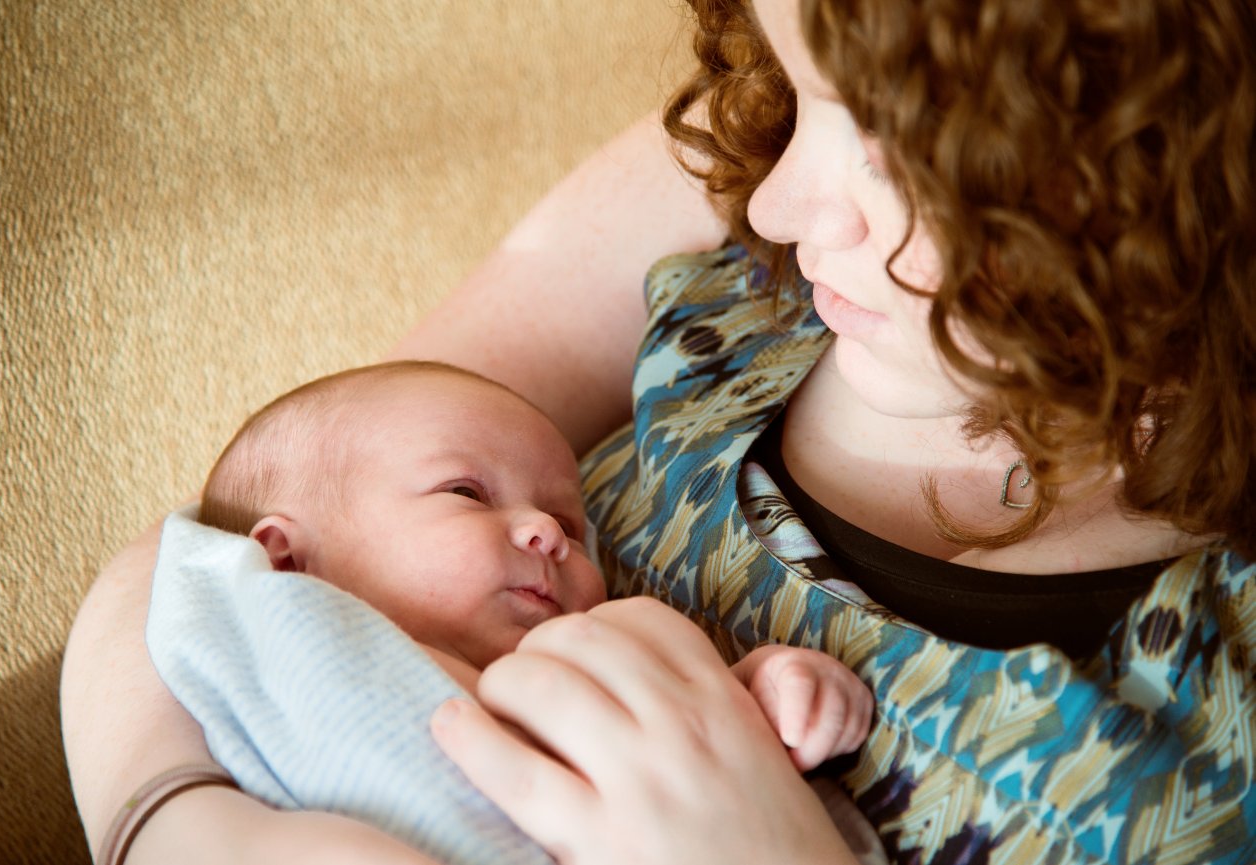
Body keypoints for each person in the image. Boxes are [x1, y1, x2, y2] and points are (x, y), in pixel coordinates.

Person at [62, 0, 1256, 862]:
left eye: (888, 145)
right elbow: (214, 543)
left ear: (1157, 179)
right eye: (797, 96)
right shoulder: (749, 167)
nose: (776, 207)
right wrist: (178, 823)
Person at [137, 360, 877, 865]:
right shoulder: (285, 642)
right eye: (466, 493)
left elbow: (689, 729)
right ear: (288, 560)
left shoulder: (585, 650)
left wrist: (766, 687)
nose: (548, 532)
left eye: (569, 522)